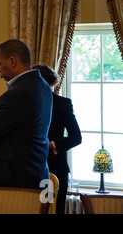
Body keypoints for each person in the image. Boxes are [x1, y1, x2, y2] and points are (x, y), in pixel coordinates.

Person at [0, 39, 52, 190]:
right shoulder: (43, 86)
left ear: (12, 61)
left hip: (11, 183)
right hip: (36, 173)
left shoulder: (17, 94)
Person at [33, 64, 82, 214]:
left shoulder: (62, 104)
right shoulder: (26, 103)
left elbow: (76, 137)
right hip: (31, 168)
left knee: (53, 210)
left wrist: (53, 144)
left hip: (53, 168)